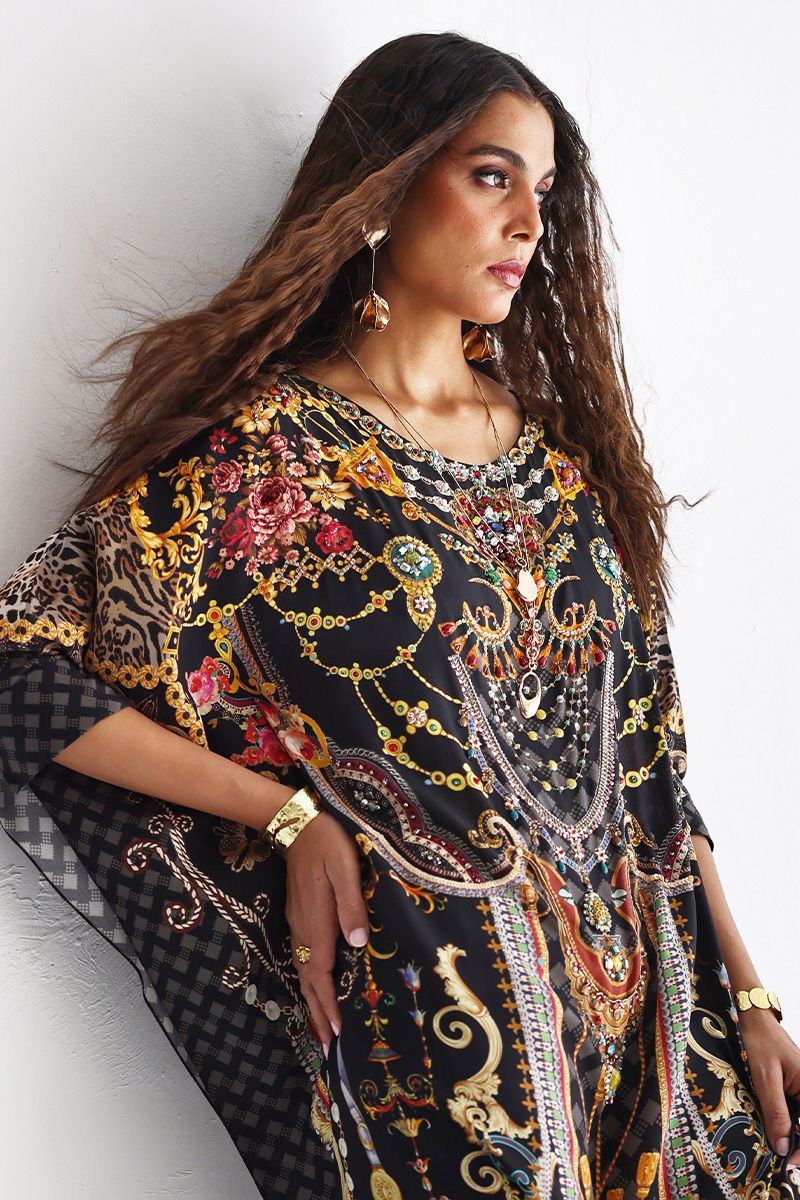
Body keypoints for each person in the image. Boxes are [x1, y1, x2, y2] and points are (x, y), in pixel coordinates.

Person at [0, 29, 798, 1200]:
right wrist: (284, 818)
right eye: (491, 175)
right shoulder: (271, 462)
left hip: (657, 1043)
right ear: (385, 182)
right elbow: (24, 669)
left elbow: (652, 775)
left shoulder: (567, 468)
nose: (527, 222)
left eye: (543, 192)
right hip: (451, 1038)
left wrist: (752, 995)